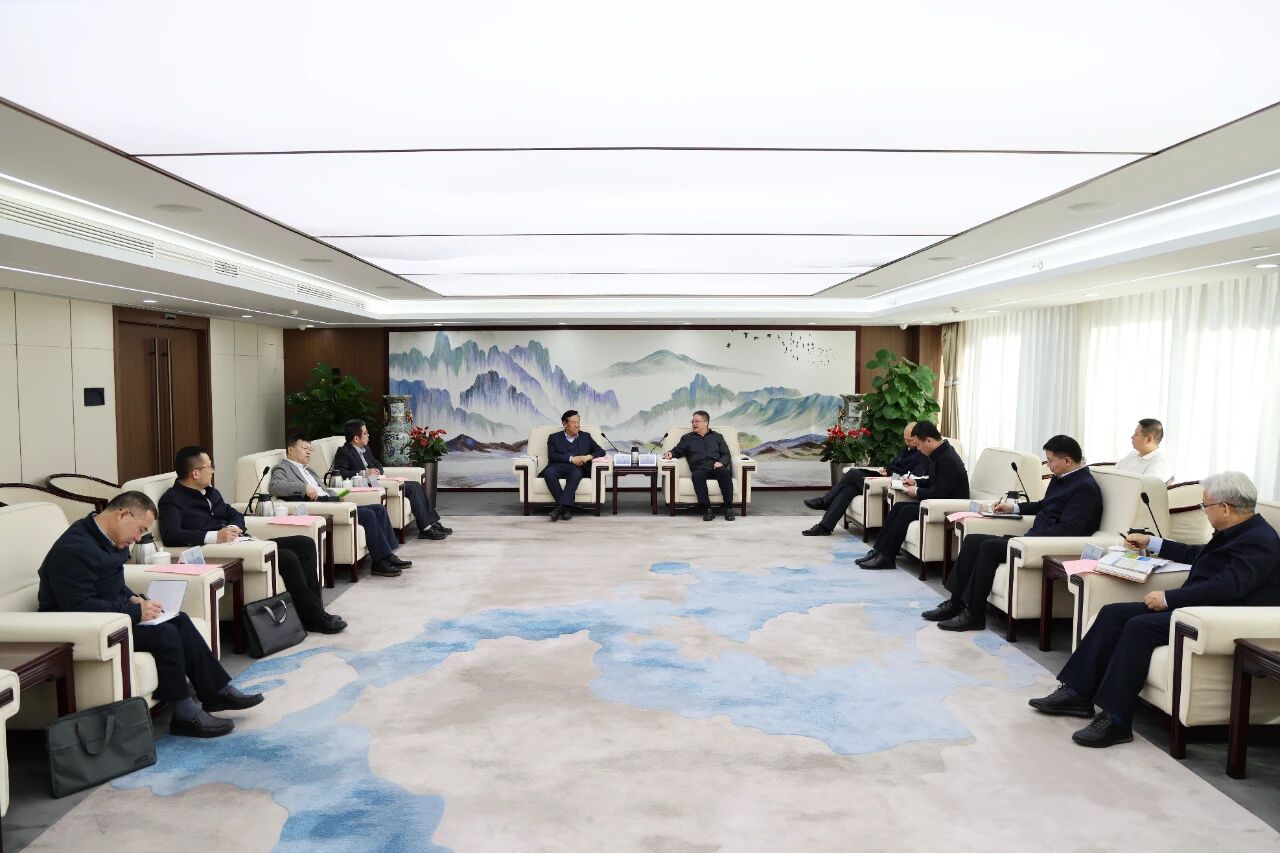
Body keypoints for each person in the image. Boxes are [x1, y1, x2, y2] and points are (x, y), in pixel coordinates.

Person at [1029, 471, 1280, 747]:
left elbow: (1228, 588)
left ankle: (1117, 720)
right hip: (1194, 608)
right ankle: (1077, 694)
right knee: (1112, 613)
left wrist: (1170, 598)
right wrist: (1153, 543)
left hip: (1215, 617)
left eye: (1205, 506)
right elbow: (1199, 555)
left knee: (1139, 627)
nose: (1204, 511)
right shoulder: (1237, 531)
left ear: (1225, 508)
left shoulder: (1260, 540)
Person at [37, 491, 263, 738]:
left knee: (179, 619)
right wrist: (135, 612)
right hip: (85, 629)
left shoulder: (106, 538)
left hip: (111, 617)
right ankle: (184, 714)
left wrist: (133, 598)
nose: (138, 538)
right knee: (165, 634)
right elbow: (79, 607)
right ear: (123, 515)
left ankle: (215, 692)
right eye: (140, 529)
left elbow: (109, 583)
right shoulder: (74, 549)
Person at [159, 446, 345, 635]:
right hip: (226, 551)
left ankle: (316, 611)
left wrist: (234, 526)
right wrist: (215, 537)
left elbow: (234, 514)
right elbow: (171, 535)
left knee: (304, 543)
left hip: (245, 541)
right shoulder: (172, 499)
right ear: (195, 473)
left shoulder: (211, 493)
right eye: (210, 467)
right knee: (287, 557)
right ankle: (314, 618)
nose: (213, 471)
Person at [924, 434, 1103, 631]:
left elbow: (1069, 529)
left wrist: (1028, 540)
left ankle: (974, 614)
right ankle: (955, 603)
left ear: (1067, 461)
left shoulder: (1084, 488)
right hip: (1031, 539)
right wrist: (1014, 508)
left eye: (1051, 461)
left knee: (989, 547)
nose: (1048, 466)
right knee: (973, 540)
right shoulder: (1062, 478)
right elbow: (1044, 505)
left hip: (1043, 545)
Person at [270, 434, 411, 578]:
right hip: (319, 506)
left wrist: (336, 495)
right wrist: (303, 487)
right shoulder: (282, 468)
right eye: (304, 448)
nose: (308, 452)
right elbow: (275, 486)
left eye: (310, 449)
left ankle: (388, 555)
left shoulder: (309, 470)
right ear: (291, 450)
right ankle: (379, 563)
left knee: (379, 509)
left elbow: (324, 490)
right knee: (368, 514)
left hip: (332, 502)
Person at [856, 421, 968, 567]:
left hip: (948, 506)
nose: (918, 449)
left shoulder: (947, 459)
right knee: (898, 507)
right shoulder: (939, 453)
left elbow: (941, 492)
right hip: (937, 501)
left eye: (919, 444)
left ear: (929, 440)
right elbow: (935, 482)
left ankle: (887, 557)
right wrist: (916, 482)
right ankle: (878, 551)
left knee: (906, 511)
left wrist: (916, 491)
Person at [331, 419, 452, 541]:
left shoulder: (366, 449)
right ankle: (426, 529)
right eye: (365, 433)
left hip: (377, 480)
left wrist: (376, 470)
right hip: (367, 485)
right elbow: (340, 473)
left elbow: (378, 464)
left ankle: (432, 523)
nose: (368, 435)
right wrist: (364, 473)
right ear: (356, 439)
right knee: (413, 487)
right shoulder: (344, 452)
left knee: (416, 485)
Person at [802, 421, 927, 536]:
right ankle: (824, 527)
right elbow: (894, 464)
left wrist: (892, 473)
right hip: (884, 476)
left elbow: (914, 476)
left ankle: (825, 501)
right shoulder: (907, 448)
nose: (906, 442)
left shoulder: (922, 454)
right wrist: (886, 469)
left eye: (909, 440)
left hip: (889, 483)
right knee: (848, 491)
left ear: (918, 438)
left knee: (852, 473)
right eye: (905, 439)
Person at [664, 410, 737, 521]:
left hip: (716, 467)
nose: (694, 424)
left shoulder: (717, 437)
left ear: (706, 423)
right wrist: (670, 453)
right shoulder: (687, 438)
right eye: (692, 421)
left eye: (697, 421)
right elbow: (677, 451)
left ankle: (728, 508)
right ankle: (707, 509)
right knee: (697, 476)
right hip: (699, 468)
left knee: (725, 473)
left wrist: (721, 462)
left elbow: (726, 454)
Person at [540, 410, 606, 521]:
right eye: (573, 422)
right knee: (549, 472)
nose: (576, 425)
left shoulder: (585, 436)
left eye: (578, 422)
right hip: (558, 466)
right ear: (565, 424)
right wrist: (571, 459)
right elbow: (552, 456)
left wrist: (588, 457)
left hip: (577, 468)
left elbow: (601, 451)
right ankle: (566, 509)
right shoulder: (554, 437)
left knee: (576, 473)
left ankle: (559, 509)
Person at [1114, 418, 1174, 484]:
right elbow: (1113, 474)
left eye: (1136, 434)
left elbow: (1143, 488)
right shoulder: (1132, 454)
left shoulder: (1160, 464)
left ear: (1149, 439)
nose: (1132, 437)